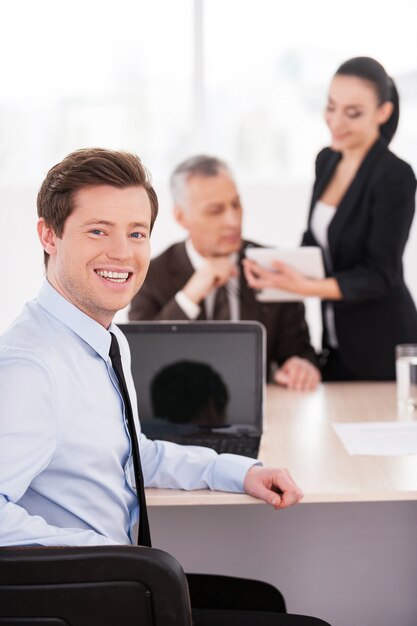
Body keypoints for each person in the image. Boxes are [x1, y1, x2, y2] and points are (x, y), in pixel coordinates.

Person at [0, 148, 330, 626]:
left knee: (264, 600)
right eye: (98, 231)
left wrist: (239, 472)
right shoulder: (30, 367)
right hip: (83, 598)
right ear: (48, 235)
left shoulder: (105, 338)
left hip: (115, 577)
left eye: (136, 233)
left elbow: (135, 453)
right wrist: (117, 559)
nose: (122, 252)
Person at [244, 57, 417, 381]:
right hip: (336, 345)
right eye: (331, 106)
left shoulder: (395, 176)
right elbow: (317, 239)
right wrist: (279, 269)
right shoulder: (327, 161)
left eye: (352, 113)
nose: (336, 121)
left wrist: (307, 287)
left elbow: (382, 273)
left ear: (383, 112)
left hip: (383, 341)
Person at [129, 155, 321, 391]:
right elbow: (143, 357)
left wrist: (300, 365)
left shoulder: (272, 267)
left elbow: (300, 351)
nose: (232, 220)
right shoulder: (150, 274)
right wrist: (190, 296)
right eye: (215, 211)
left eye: (236, 205)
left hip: (262, 409)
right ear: (181, 217)